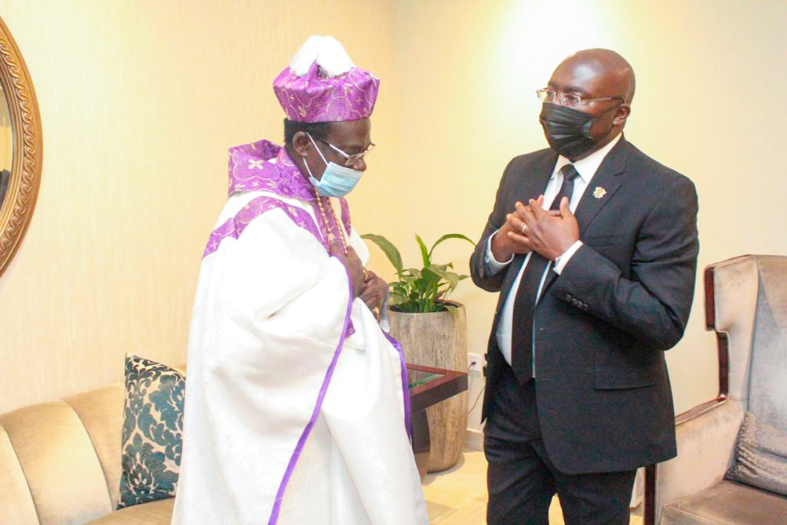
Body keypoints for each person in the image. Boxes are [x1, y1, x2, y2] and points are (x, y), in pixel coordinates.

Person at [172, 36, 428, 525]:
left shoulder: (323, 195)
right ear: (303, 144)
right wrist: (341, 281)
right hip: (293, 436)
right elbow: (241, 344)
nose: (360, 166)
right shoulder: (254, 218)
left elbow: (340, 277)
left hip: (344, 421)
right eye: (350, 153)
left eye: (364, 150)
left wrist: (369, 287)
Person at [469, 49, 699, 524]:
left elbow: (663, 319)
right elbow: (484, 272)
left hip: (596, 419)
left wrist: (569, 255)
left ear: (619, 114)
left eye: (574, 98)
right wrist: (502, 245)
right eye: (551, 93)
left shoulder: (662, 191)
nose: (557, 107)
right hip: (511, 401)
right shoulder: (523, 169)